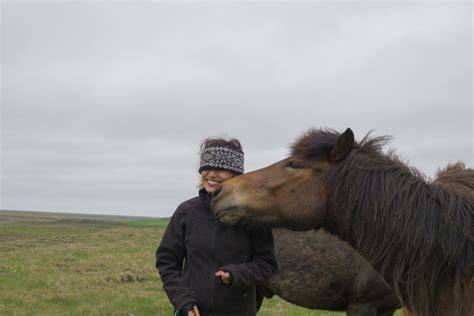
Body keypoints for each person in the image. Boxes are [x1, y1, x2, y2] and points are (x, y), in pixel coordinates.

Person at [156, 137, 277, 316]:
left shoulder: (252, 217)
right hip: (192, 311)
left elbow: (266, 265)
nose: (212, 174)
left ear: (236, 175)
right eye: (207, 167)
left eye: (221, 169)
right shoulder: (186, 212)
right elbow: (167, 261)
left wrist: (236, 274)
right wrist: (183, 300)